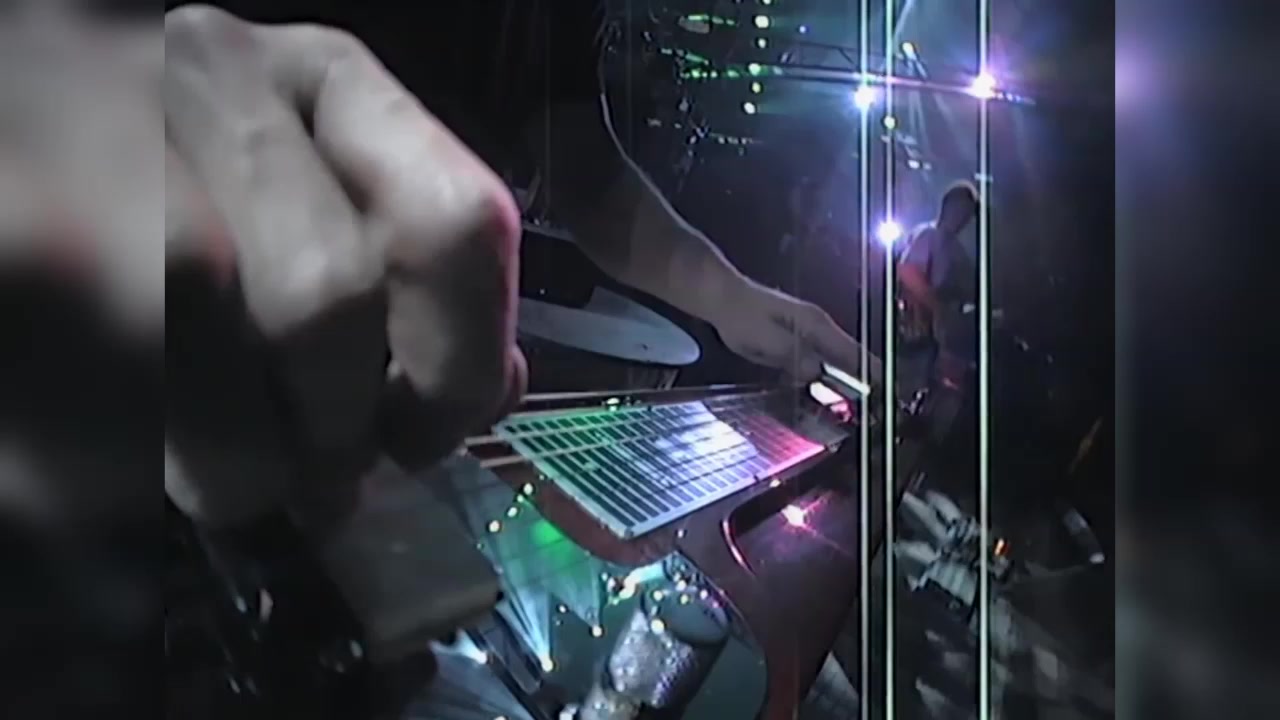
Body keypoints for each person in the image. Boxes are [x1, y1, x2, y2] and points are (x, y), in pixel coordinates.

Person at [895, 182, 979, 393]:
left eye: (968, 214)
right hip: (916, 330)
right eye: (962, 210)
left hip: (936, 341)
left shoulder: (958, 252)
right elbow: (908, 272)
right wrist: (937, 308)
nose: (964, 218)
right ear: (948, 206)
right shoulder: (928, 234)